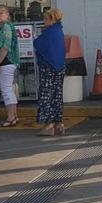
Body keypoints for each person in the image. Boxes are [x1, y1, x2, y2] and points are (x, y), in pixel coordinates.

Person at [34, 8, 66, 136]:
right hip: (60, 66)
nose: (44, 21)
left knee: (46, 94)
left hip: (48, 67)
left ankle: (48, 125)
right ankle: (59, 123)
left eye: (46, 19)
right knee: (57, 94)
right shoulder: (59, 31)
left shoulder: (49, 32)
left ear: (52, 19)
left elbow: (39, 44)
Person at [0, 5, 20, 127]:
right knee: (9, 90)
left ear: (7, 15)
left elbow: (5, 46)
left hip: (6, 62)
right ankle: (14, 115)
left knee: (6, 90)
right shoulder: (4, 27)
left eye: (1, 13)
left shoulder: (6, 28)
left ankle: (11, 117)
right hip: (9, 62)